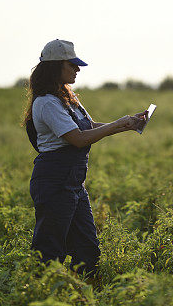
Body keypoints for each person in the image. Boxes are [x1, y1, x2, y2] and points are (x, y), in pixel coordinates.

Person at [22, 39, 146, 278]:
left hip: (73, 184)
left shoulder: (67, 98)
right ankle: (38, 295)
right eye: (72, 64)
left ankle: (79, 296)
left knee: (88, 251)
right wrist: (116, 124)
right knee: (49, 253)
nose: (77, 69)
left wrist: (127, 124)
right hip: (54, 183)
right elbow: (78, 139)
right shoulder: (46, 102)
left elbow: (88, 127)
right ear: (56, 66)